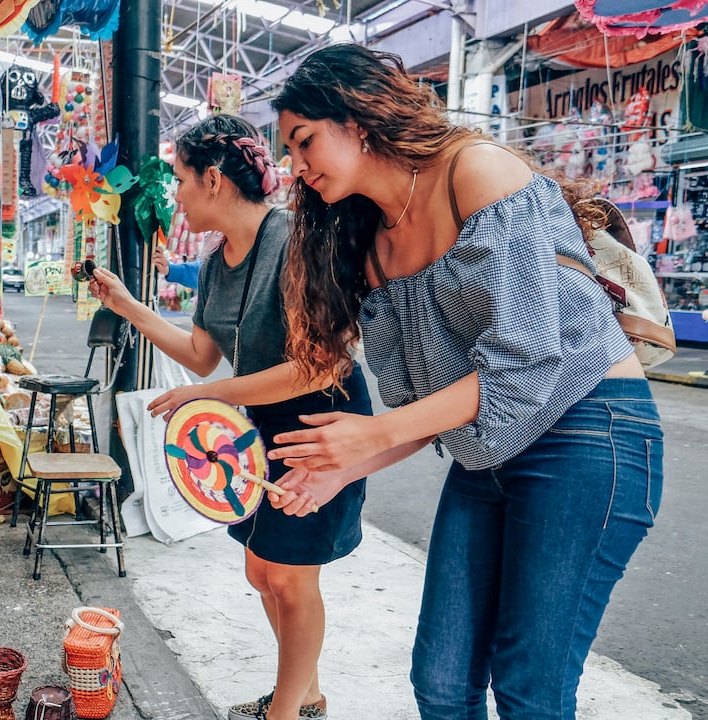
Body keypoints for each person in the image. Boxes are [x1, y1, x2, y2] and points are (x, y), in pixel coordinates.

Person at [266, 44, 662, 720]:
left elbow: (528, 359)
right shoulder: (372, 248)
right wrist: (344, 468)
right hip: (490, 456)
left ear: (358, 121)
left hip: (591, 430)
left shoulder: (474, 171)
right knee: (442, 683)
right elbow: (427, 411)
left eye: (304, 141)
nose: (295, 166)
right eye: (288, 150)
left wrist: (371, 433)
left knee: (528, 689)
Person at [89, 113, 373, 720]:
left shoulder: (296, 239)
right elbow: (200, 356)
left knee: (293, 580)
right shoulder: (217, 264)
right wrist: (128, 306)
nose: (177, 195)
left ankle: (287, 711)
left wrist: (213, 396)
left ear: (213, 180)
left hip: (323, 425)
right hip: (258, 429)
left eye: (182, 180)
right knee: (261, 571)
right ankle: (308, 694)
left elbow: (319, 365)